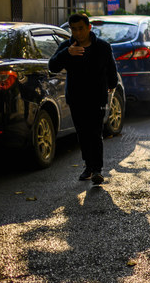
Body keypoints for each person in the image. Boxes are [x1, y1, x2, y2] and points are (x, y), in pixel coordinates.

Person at [48, 13, 119, 186]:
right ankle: (88, 165)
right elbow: (52, 66)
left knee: (95, 132)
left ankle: (97, 170)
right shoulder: (67, 46)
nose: (78, 33)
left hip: (97, 97)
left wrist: (112, 84)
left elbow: (111, 69)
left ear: (89, 28)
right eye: (74, 29)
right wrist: (67, 53)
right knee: (83, 133)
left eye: (81, 28)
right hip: (76, 97)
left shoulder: (102, 47)